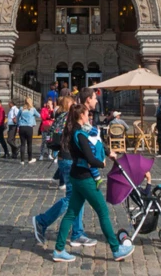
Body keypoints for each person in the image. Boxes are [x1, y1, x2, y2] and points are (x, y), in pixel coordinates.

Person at [48, 104, 135, 263]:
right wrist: (102, 163)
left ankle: (59, 250)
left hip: (76, 176)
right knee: (102, 212)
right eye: (87, 114)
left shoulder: (74, 132)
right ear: (81, 115)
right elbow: (90, 158)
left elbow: (96, 144)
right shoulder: (80, 134)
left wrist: (107, 152)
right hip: (85, 179)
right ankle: (116, 250)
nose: (89, 116)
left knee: (71, 213)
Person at [33, 95, 96, 250]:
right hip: (69, 159)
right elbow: (86, 130)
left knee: (78, 196)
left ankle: (77, 233)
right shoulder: (69, 117)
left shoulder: (61, 116)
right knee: (72, 198)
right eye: (73, 103)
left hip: (66, 158)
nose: (75, 105)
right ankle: (42, 220)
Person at [18, 98, 39, 163]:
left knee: (22, 144)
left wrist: (18, 125)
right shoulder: (32, 109)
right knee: (29, 144)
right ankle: (30, 159)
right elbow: (38, 115)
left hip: (21, 127)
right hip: (29, 127)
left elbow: (17, 116)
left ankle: (22, 160)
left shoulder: (21, 108)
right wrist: (32, 116)